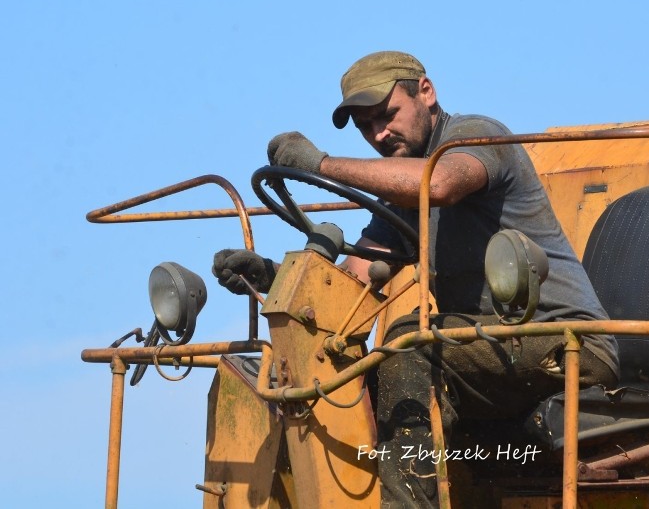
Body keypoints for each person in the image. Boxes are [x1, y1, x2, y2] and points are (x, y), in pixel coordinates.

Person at [212, 51, 618, 508]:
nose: (379, 135)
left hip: (568, 342)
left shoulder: (474, 139)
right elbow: (354, 282)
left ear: (426, 92)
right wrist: (271, 277)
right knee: (351, 374)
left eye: (386, 116)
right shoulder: (403, 196)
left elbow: (439, 184)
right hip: (493, 352)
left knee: (409, 342)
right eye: (366, 127)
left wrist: (321, 164)